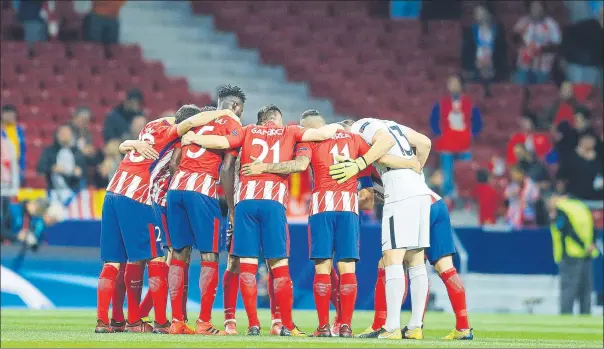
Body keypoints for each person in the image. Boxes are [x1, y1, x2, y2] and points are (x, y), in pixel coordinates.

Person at [239, 111, 406, 338]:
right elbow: (381, 160)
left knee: (323, 269)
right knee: (347, 268)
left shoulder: (309, 141)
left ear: (309, 127)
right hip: (348, 207)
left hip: (321, 208)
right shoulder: (354, 139)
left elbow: (300, 164)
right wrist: (404, 168)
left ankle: (324, 327)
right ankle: (345, 326)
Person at [181, 104, 343, 336]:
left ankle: (253, 325)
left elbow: (223, 144)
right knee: (278, 265)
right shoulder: (291, 131)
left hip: (244, 202)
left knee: (245, 265)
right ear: (277, 118)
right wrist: (346, 128)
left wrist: (193, 137)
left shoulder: (246, 131)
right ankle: (284, 324)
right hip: (273, 203)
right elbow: (324, 135)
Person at [94, 106, 235, 334]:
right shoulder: (174, 134)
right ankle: (160, 322)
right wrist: (224, 113)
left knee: (114, 262)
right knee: (157, 259)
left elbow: (124, 145)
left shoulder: (152, 125)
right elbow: (188, 123)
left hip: (112, 192)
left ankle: (109, 321)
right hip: (137, 196)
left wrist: (131, 143)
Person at [328, 117, 433, 340]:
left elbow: (382, 144)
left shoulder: (359, 128)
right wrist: (415, 167)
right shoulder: (394, 124)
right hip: (421, 191)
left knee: (392, 258)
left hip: (399, 193)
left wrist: (359, 163)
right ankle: (415, 326)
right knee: (416, 260)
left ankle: (392, 326)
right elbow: (425, 143)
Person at [166, 97, 244, 335]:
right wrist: (231, 208)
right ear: (237, 107)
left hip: (176, 189)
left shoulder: (193, 125)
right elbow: (228, 168)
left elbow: (173, 163)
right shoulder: (232, 128)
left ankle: (177, 321)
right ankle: (204, 323)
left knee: (179, 253)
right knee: (209, 255)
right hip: (202, 191)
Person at [430, 75, 483, 198]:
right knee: (447, 172)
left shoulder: (469, 103)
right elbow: (433, 121)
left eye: (455, 83)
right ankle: (449, 197)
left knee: (465, 172)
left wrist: (472, 133)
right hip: (447, 142)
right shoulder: (442, 103)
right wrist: (439, 133)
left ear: (460, 85)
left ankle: (465, 196)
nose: (453, 86)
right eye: (451, 83)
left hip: (464, 143)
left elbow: (478, 121)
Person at [549, 195, 599, 314]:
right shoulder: (582, 207)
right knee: (585, 290)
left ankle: (566, 316)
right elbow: (593, 227)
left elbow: (566, 229)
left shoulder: (562, 210)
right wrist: (591, 244)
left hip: (570, 254)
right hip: (587, 254)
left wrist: (582, 245)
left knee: (568, 290)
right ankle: (586, 317)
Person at [461, 4, 509, 95]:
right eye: (478, 14)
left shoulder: (498, 31)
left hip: (495, 70)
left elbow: (503, 51)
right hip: (476, 70)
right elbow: (465, 53)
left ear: (489, 14)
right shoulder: (470, 32)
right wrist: (475, 64)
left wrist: (493, 65)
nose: (480, 16)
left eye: (482, 13)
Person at [513, 1, 561, 84]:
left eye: (539, 7)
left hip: (543, 67)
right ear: (529, 8)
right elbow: (515, 39)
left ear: (544, 8)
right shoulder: (523, 21)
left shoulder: (551, 24)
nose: (537, 9)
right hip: (524, 65)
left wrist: (540, 49)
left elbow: (557, 45)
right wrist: (526, 48)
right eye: (534, 7)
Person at [37, 125, 87, 201]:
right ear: (57, 135)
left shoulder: (77, 152)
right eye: (62, 134)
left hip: (74, 191)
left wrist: (79, 171)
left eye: (67, 134)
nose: (65, 136)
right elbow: (40, 168)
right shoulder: (50, 151)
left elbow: (85, 170)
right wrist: (52, 168)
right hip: (54, 191)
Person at [556, 132, 603, 201]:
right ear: (581, 140)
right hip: (575, 198)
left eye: (592, 139)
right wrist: (559, 195)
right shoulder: (570, 158)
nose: (589, 142)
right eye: (586, 139)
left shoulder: (599, 158)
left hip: (597, 199)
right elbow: (561, 178)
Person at [1, 105, 26, 183]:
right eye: (7, 114)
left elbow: (23, 150)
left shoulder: (19, 130)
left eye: (12, 114)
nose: (9, 117)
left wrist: (21, 166)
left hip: (15, 163)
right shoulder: (1, 130)